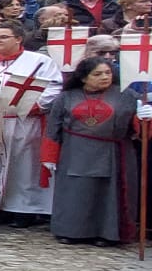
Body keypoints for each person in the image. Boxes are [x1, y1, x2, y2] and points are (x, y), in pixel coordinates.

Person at [44, 57, 149, 245]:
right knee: (75, 192)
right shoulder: (66, 97)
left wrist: (144, 119)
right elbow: (53, 127)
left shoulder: (127, 95)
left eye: (108, 73)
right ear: (84, 77)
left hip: (114, 151)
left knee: (109, 194)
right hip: (74, 150)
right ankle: (71, 231)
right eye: (97, 74)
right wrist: (49, 155)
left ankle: (107, 234)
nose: (104, 77)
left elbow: (138, 131)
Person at [0, 22, 62, 227]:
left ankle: (25, 210)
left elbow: (55, 86)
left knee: (24, 168)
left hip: (25, 122)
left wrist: (35, 105)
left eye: (3, 37)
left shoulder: (39, 61)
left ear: (18, 39)